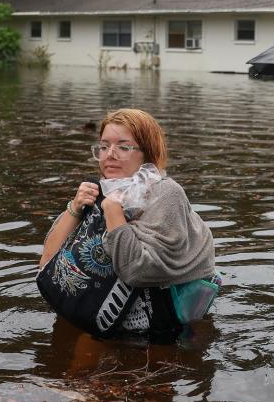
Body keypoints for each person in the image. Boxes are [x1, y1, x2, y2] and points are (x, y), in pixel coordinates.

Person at [38, 108, 216, 342]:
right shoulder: (104, 189)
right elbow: (47, 264)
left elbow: (139, 271)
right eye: (104, 146)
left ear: (146, 153)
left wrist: (113, 212)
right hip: (103, 316)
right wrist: (75, 207)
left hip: (159, 330)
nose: (110, 155)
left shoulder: (165, 193)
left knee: (83, 363)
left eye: (123, 147)